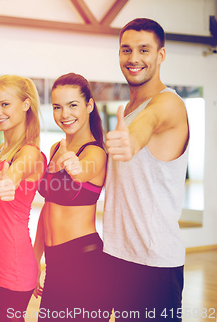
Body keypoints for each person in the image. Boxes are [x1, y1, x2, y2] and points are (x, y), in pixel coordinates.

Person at [104, 18, 189, 321]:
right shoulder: (127, 110)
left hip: (154, 263)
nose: (134, 58)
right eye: (126, 50)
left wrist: (132, 141)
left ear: (160, 55)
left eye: (144, 49)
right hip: (119, 255)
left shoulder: (169, 104)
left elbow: (146, 124)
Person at [33, 73, 108, 320]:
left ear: (89, 105)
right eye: (57, 107)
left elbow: (86, 170)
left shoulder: (95, 152)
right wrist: (36, 259)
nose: (64, 114)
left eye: (72, 105)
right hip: (55, 263)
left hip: (84, 262)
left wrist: (77, 169)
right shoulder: (57, 148)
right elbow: (48, 207)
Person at [0, 75, 46, 322]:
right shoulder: (2, 150)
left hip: (12, 269)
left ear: (26, 104)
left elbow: (17, 171)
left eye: (5, 104)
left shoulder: (28, 152)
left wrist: (9, 181)